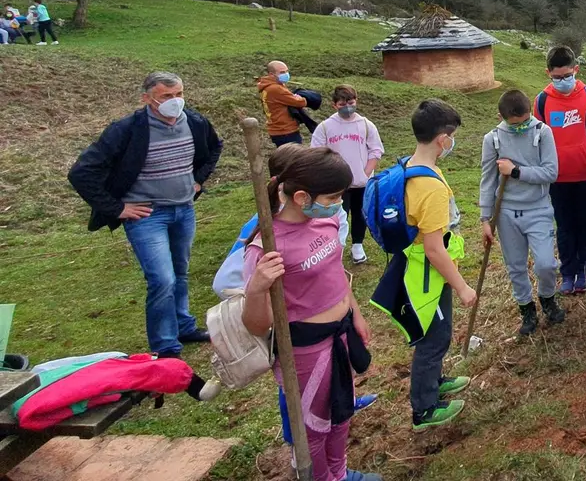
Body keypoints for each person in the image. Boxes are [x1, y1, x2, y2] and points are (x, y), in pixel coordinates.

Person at [241, 147, 381, 481]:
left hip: (341, 335)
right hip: (306, 351)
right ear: (302, 196)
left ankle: (340, 472)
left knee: (341, 413)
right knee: (313, 427)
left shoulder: (326, 220)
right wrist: (257, 288)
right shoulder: (268, 248)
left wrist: (355, 314)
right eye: (333, 197)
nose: (339, 204)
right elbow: (256, 324)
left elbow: (336, 272)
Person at [68, 71, 223, 357]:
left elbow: (214, 147)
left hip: (184, 209)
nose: (175, 101)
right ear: (147, 98)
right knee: (162, 279)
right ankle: (165, 345)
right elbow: (81, 172)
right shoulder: (127, 130)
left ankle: (183, 326)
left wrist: (199, 179)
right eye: (166, 96)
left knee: (180, 271)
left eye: (179, 94)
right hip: (147, 216)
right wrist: (117, 208)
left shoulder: (196, 122)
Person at [398, 100, 475, 430]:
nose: (452, 142)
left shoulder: (412, 167)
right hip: (428, 276)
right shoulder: (429, 187)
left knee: (437, 333)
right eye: (452, 136)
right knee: (432, 340)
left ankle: (436, 380)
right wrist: (461, 285)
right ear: (443, 138)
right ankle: (424, 409)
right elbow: (433, 248)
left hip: (423, 272)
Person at [480, 90, 564, 335]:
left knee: (546, 264)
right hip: (506, 212)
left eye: (525, 122)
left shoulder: (542, 132)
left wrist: (516, 171)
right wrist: (485, 217)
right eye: (514, 124)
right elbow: (487, 180)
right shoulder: (493, 139)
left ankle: (547, 297)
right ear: (501, 116)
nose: (521, 128)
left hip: (538, 209)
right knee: (515, 266)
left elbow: (551, 172)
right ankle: (526, 309)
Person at [533, 46, 586, 294]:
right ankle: (568, 272)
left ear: (576, 69)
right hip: (557, 178)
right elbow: (537, 139)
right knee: (564, 225)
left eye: (567, 75)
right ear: (548, 73)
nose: (563, 81)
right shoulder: (542, 101)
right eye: (557, 77)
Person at [311, 84, 384, 265]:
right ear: (334, 105)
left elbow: (376, 150)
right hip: (336, 184)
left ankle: (357, 245)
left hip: (361, 182)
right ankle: (336, 248)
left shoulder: (366, 125)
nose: (348, 107)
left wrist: (366, 172)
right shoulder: (325, 127)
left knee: (360, 214)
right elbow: (317, 153)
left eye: (351, 102)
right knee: (337, 216)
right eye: (343, 104)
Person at [257, 60, 309, 147]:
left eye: (286, 71)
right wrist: (301, 99)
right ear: (271, 74)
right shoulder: (276, 88)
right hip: (285, 130)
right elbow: (300, 103)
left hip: (277, 128)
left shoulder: (267, 86)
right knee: (293, 158)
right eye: (282, 72)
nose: (286, 74)